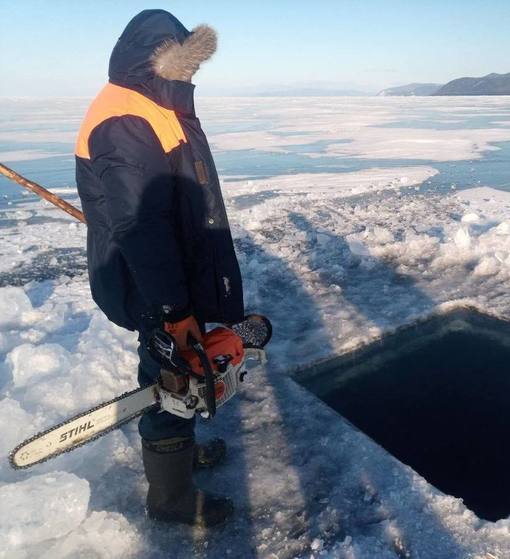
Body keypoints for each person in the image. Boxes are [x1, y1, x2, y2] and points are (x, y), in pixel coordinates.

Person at [74, 9, 244, 527]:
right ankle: (170, 498)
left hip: (163, 275)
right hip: (150, 282)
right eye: (181, 64)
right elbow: (143, 227)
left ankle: (181, 451)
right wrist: (173, 308)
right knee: (170, 376)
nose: (189, 76)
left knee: (180, 372)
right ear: (157, 61)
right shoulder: (126, 119)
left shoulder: (149, 104)